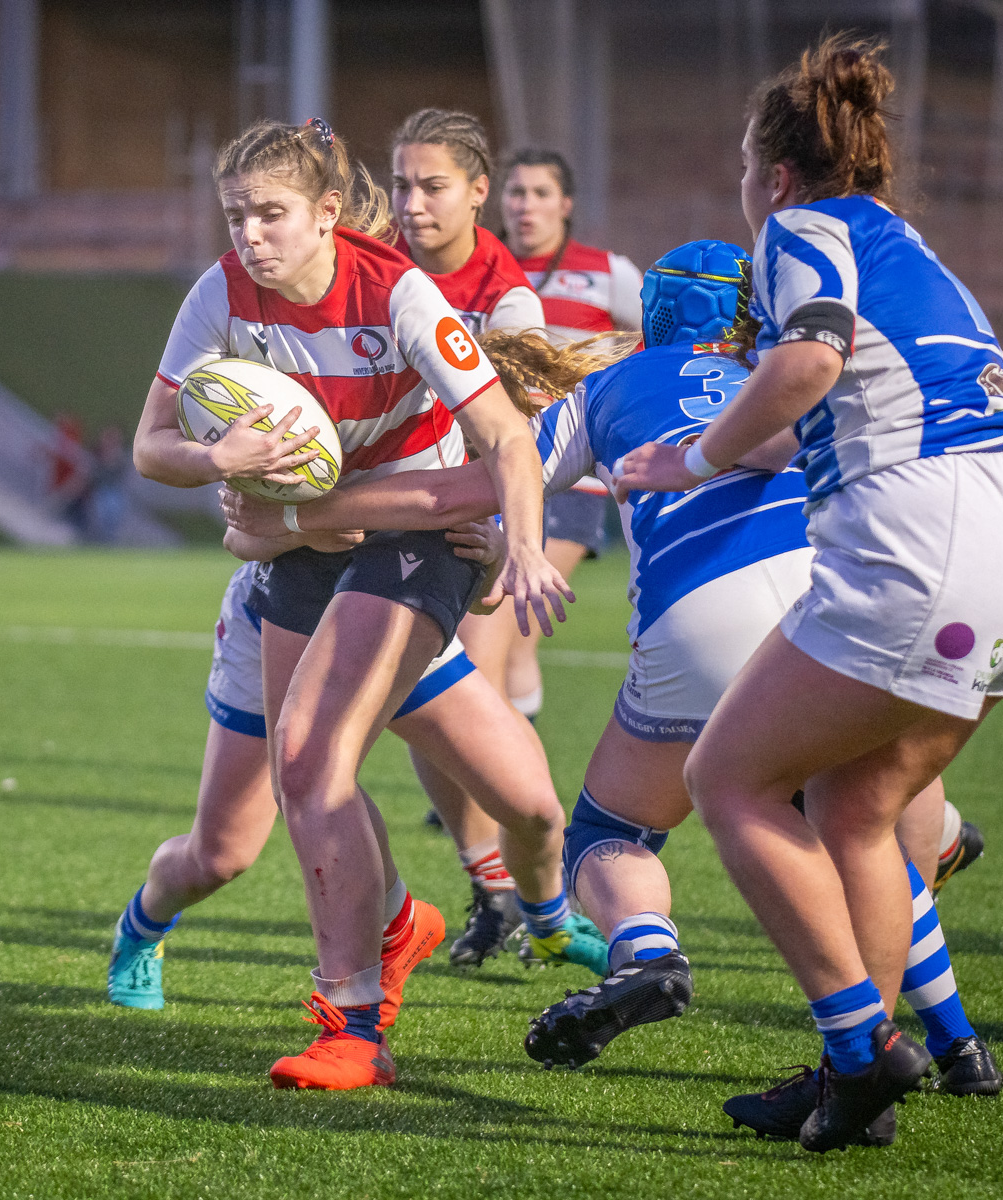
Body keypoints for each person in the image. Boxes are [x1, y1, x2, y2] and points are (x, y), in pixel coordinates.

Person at [221, 240, 1003, 1137]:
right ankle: (952, 1044)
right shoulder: (779, 377)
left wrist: (305, 512)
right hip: (837, 605)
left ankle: (646, 950)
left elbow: (464, 493)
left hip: (698, 622)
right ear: (746, 317)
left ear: (653, 315)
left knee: (609, 830)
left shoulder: (605, 389)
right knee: (857, 822)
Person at [612, 35, 1003, 1151]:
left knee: (726, 776)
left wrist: (695, 458)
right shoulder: (904, 241)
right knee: (857, 809)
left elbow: (810, 360)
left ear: (774, 173)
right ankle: (845, 1074)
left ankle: (866, 1052)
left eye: (741, 163)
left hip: (935, 528)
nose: (742, 185)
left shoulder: (798, 231)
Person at [132, 117, 570, 1091]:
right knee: (302, 776)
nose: (251, 234)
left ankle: (355, 1029)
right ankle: (400, 927)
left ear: (327, 213)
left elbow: (504, 442)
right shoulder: (223, 291)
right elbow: (149, 443)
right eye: (237, 215)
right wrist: (214, 461)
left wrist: (525, 549)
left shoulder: (398, 292)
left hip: (417, 541)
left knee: (311, 754)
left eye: (273, 214)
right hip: (306, 545)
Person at [105, 517, 569, 1018]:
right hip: (281, 619)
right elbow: (239, 535)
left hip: (397, 610)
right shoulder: (301, 436)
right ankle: (143, 927)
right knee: (219, 857)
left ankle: (553, 920)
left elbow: (484, 596)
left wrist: (499, 553)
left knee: (534, 806)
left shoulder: (463, 445)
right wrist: (306, 525)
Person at [389, 108, 604, 973]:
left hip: (474, 512)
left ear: (476, 194)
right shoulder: (374, 262)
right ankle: (501, 891)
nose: (411, 204)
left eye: (432, 186)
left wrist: (510, 532)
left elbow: (512, 432)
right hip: (381, 511)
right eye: (400, 185)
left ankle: (527, 894)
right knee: (422, 711)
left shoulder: (511, 302)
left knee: (457, 689)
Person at [495, 147, 643, 729]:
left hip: (574, 472)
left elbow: (654, 344)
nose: (525, 204)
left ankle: (500, 779)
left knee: (508, 623)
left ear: (565, 204)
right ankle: (495, 775)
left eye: (538, 193)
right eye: (516, 192)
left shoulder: (608, 271)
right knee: (503, 633)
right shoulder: (483, 267)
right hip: (499, 463)